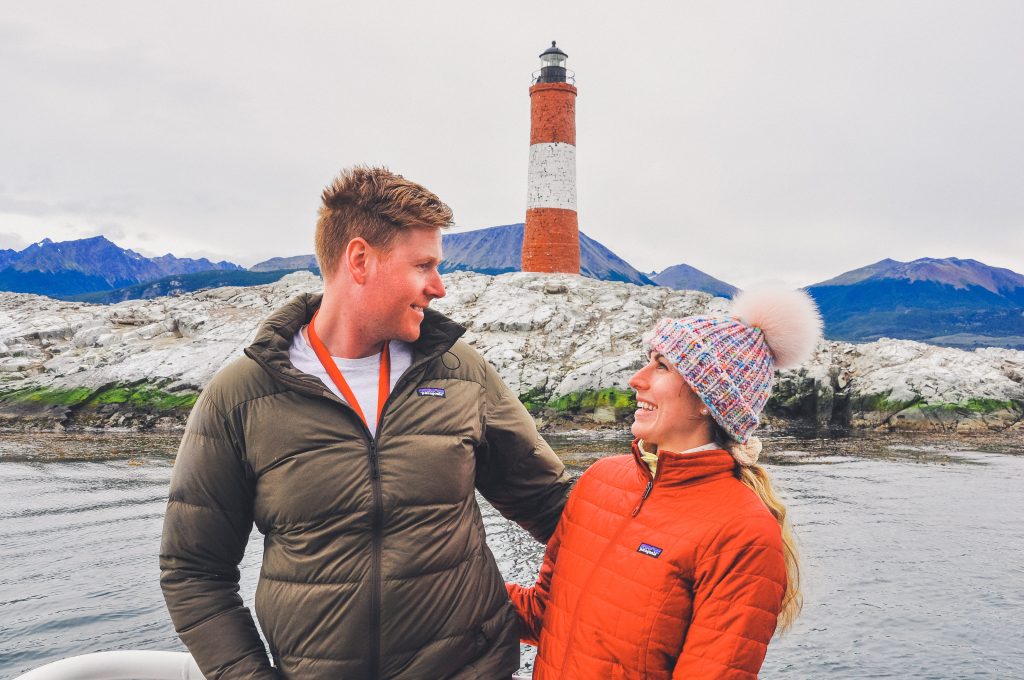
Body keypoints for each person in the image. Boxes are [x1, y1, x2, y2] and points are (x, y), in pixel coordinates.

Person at [160, 166, 571, 680]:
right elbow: (194, 572)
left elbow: (554, 508)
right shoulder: (241, 394)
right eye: (423, 265)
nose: (438, 287)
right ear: (360, 260)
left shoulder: (461, 372)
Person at [507, 288, 821, 679]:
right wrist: (439, 578)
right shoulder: (600, 480)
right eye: (647, 362)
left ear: (711, 398)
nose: (636, 380)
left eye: (662, 367)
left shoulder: (744, 533)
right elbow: (543, 615)